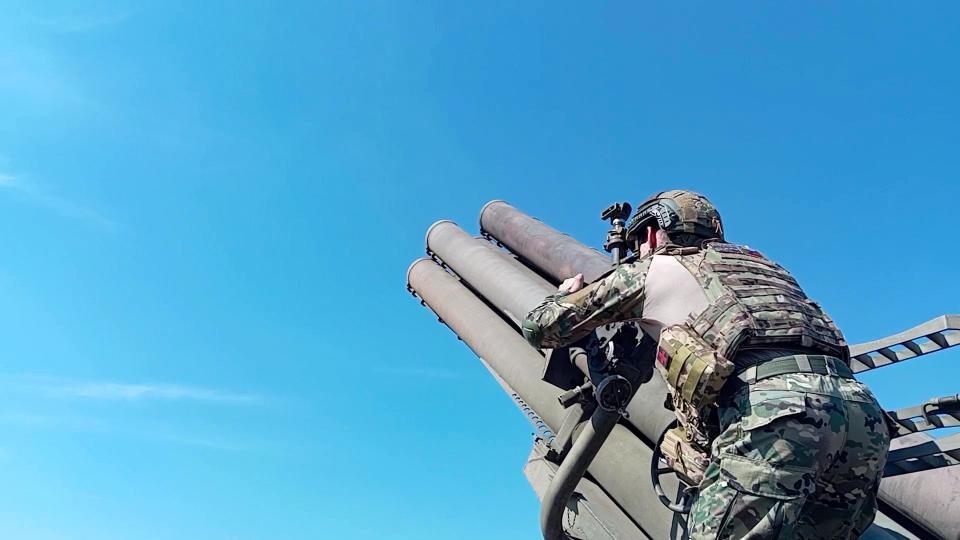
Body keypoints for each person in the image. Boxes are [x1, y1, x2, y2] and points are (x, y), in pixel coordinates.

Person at [522, 190, 890, 539]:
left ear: (650, 231)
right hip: (863, 417)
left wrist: (564, 295)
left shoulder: (653, 270)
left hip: (775, 413)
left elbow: (541, 328)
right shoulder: (765, 267)